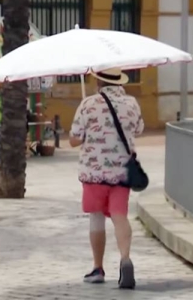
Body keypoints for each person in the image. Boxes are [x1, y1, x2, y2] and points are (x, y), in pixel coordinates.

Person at [68, 68, 144, 289]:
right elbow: (139, 129)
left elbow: (74, 139)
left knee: (97, 217)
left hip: (94, 173)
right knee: (120, 216)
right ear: (119, 82)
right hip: (122, 173)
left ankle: (98, 268)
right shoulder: (132, 103)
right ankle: (126, 259)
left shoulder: (88, 104)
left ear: (98, 82)